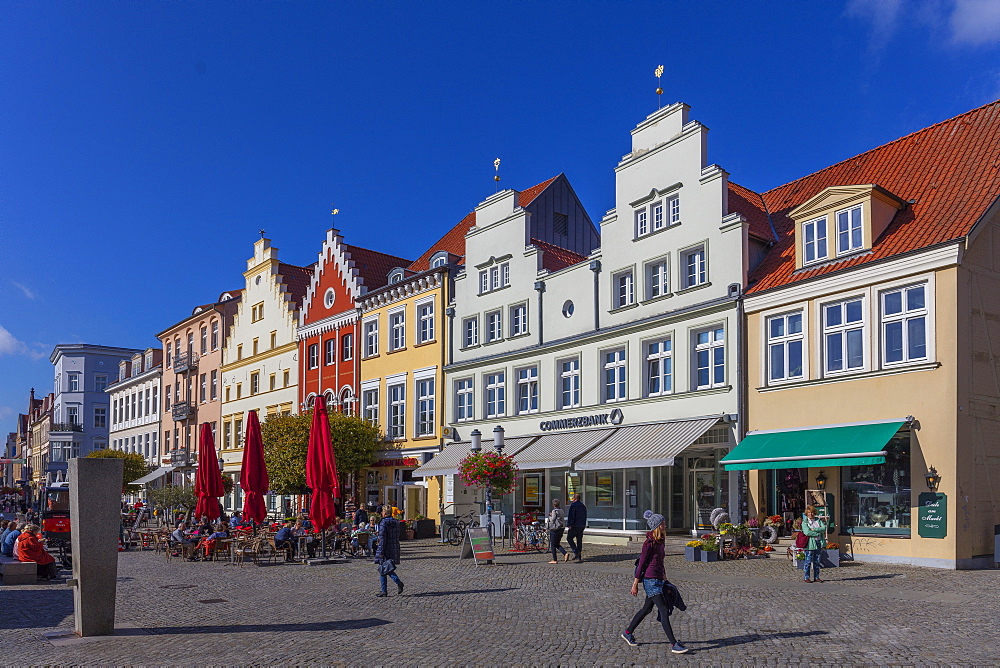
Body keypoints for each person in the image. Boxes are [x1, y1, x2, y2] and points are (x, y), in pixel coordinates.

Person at [621, 511, 688, 653]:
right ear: (657, 526)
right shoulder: (648, 544)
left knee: (647, 609)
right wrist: (635, 584)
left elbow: (659, 561)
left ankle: (628, 633)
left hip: (658, 579)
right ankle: (674, 644)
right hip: (650, 580)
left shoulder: (660, 541)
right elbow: (642, 564)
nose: (665, 524)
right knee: (663, 610)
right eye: (663, 523)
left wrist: (664, 576)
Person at [374, 506, 404, 597]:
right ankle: (385, 589)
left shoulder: (383, 522)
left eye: (382, 512)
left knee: (384, 568)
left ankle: (390, 587)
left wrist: (381, 551)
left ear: (385, 513)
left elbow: (382, 538)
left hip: (386, 547)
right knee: (385, 568)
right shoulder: (396, 522)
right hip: (394, 546)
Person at [801, 505, 828, 583]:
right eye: (809, 512)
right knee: (808, 561)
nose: (811, 514)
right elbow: (807, 532)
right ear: (806, 513)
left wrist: (815, 529)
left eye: (812, 512)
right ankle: (806, 577)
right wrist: (817, 533)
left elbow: (824, 528)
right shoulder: (805, 522)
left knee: (817, 561)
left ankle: (816, 577)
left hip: (818, 542)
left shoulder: (818, 520)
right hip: (810, 544)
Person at [566, 493, 587, 562]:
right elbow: (585, 516)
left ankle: (576, 551)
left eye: (572, 498)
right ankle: (579, 556)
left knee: (569, 538)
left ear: (574, 499)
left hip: (575, 525)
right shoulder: (583, 506)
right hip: (581, 525)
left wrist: (569, 524)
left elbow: (571, 516)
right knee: (579, 540)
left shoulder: (573, 505)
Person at [547, 499, 567, 564]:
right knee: (557, 544)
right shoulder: (561, 510)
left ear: (553, 505)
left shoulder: (554, 511)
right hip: (561, 528)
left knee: (552, 545)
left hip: (555, 529)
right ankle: (565, 553)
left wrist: (550, 516)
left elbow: (552, 520)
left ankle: (554, 559)